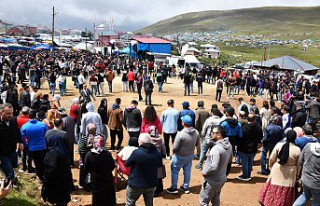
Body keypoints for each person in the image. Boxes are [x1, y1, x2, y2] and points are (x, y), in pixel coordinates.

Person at [259, 130, 300, 206]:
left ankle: (269, 202)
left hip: (277, 169)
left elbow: (271, 158)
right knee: (286, 190)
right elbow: (298, 164)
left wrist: (271, 166)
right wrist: (297, 174)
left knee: (273, 186)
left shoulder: (278, 145)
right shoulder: (297, 150)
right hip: (290, 171)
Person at [199, 125, 233, 206]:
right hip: (221, 178)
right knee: (215, 198)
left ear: (219, 135)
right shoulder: (229, 145)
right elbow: (229, 162)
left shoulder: (216, 149)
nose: (211, 134)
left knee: (203, 202)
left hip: (212, 181)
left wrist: (205, 173)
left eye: (213, 133)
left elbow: (213, 167)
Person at [125, 133, 162, 206]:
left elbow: (127, 164)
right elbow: (159, 165)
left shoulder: (137, 153)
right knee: (149, 204)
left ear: (141, 142)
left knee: (130, 203)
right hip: (151, 184)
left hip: (136, 184)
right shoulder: (157, 153)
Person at [42, 119, 72, 206]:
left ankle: (52, 198)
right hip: (62, 160)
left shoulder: (47, 133)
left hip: (51, 158)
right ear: (61, 124)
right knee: (63, 180)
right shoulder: (64, 134)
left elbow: (46, 145)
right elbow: (68, 148)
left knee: (52, 178)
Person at [167, 115, 198, 194]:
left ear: (183, 123)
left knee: (175, 172)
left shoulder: (180, 134)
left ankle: (174, 188)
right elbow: (197, 144)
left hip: (179, 156)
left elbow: (174, 148)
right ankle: (186, 187)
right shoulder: (196, 132)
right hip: (190, 156)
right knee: (187, 171)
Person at [85, 136, 116, 206]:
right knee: (109, 199)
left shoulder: (89, 155)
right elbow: (112, 166)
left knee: (97, 198)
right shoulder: (107, 154)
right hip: (107, 180)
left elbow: (86, 168)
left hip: (96, 180)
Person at [21, 109, 48, 181]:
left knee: (37, 163)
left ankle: (40, 177)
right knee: (44, 161)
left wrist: (27, 144)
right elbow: (47, 134)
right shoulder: (42, 124)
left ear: (28, 116)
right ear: (36, 115)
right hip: (43, 147)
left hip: (32, 148)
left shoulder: (24, 127)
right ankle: (45, 175)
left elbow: (23, 138)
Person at [0, 103, 24, 181]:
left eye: (11, 113)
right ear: (1, 113)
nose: (10, 115)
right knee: (10, 173)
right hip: (3, 154)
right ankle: (9, 186)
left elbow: (17, 131)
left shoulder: (13, 120)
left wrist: (20, 142)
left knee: (14, 167)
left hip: (13, 151)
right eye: (8, 113)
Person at [293, 141, 320, 206]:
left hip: (305, 179)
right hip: (317, 183)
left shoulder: (308, 146)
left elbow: (300, 161)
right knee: (317, 201)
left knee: (304, 195)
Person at [237, 114, 263, 181]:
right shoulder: (258, 127)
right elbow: (260, 138)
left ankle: (245, 175)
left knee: (245, 162)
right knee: (250, 161)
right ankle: (248, 174)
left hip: (244, 148)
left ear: (247, 119)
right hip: (253, 148)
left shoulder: (243, 128)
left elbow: (239, 137)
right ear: (254, 119)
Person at [148, 126, 166, 196]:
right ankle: (159, 189)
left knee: (152, 174)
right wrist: (163, 155)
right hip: (159, 159)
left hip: (151, 159)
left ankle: (153, 191)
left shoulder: (149, 139)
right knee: (159, 174)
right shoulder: (160, 140)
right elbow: (164, 149)